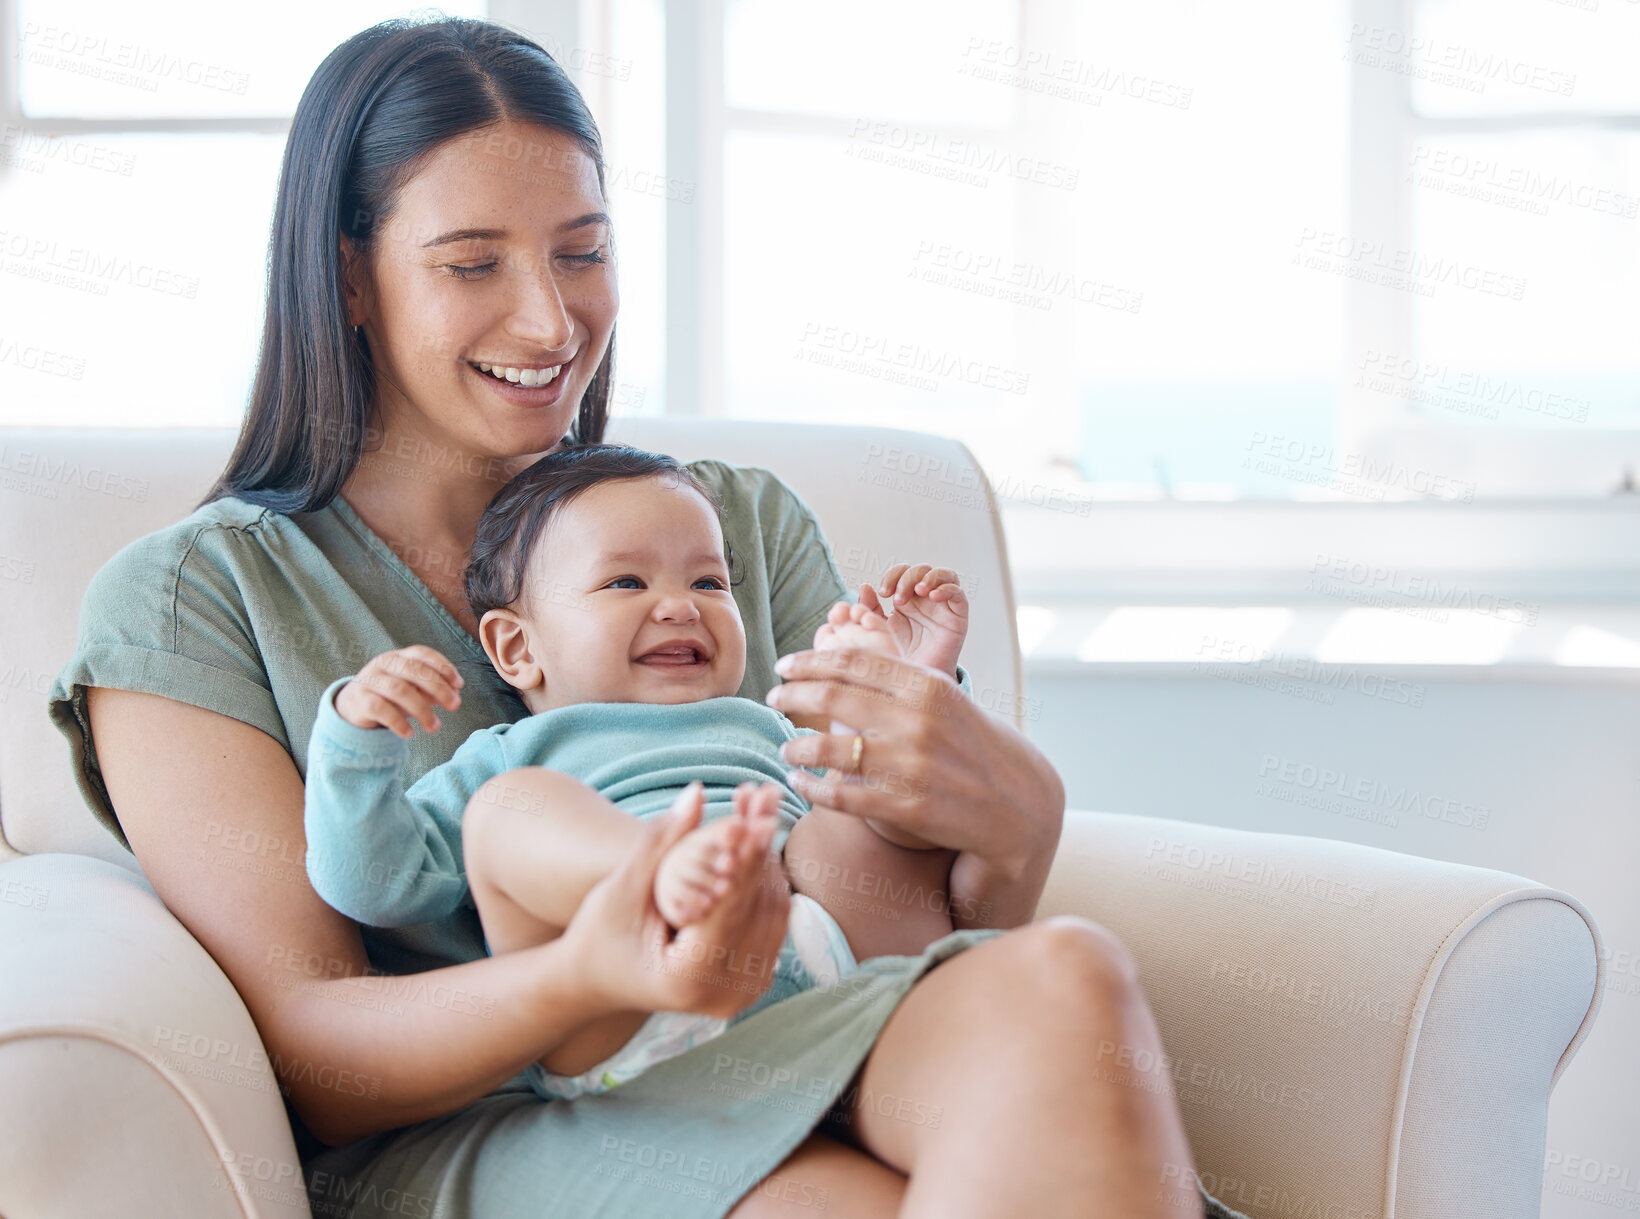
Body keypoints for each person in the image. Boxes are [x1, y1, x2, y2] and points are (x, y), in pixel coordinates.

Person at [47, 16, 1242, 1218]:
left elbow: (886, 920)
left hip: (801, 1017)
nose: (548, 323)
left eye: (581, 253)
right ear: (350, 276)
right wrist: (582, 972)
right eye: (472, 265)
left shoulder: (726, 526)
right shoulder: (196, 600)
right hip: (505, 1116)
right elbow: (318, 1057)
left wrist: (1015, 824)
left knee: (1064, 979)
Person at [302, 442, 979, 1102]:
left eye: (708, 581)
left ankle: (897, 709)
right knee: (507, 809)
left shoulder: (766, 726)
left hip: (815, 954)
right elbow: (375, 886)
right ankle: (658, 873)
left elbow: (921, 813)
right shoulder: (513, 751)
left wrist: (908, 684)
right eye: (626, 581)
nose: (682, 605)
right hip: (622, 1004)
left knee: (857, 793)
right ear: (517, 647)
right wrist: (357, 740)